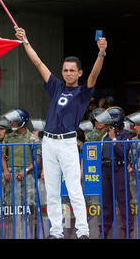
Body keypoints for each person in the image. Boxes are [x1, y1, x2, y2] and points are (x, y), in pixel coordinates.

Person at [15, 26, 107, 239]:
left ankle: (82, 232)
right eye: (65, 70)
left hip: (67, 143)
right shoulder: (56, 86)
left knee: (74, 190)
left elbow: (94, 73)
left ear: (79, 73)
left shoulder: (83, 92)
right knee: (53, 191)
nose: (67, 73)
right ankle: (55, 233)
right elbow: (38, 64)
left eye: (72, 70)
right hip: (48, 142)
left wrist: (101, 53)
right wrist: (25, 40)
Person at [0, 109, 42, 239]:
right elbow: (2, 155)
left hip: (27, 176)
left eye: (14, 121)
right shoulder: (8, 137)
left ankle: (28, 234)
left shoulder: (32, 138)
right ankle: (11, 234)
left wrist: (27, 170)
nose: (11, 123)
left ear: (22, 122)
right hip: (11, 176)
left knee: (29, 207)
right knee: (9, 207)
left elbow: (38, 159)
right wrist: (6, 171)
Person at [96, 107, 133, 239]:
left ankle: (127, 232)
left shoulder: (125, 135)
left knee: (123, 202)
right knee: (106, 203)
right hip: (106, 170)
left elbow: (123, 153)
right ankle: (104, 232)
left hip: (119, 170)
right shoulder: (104, 136)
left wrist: (114, 140)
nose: (106, 124)